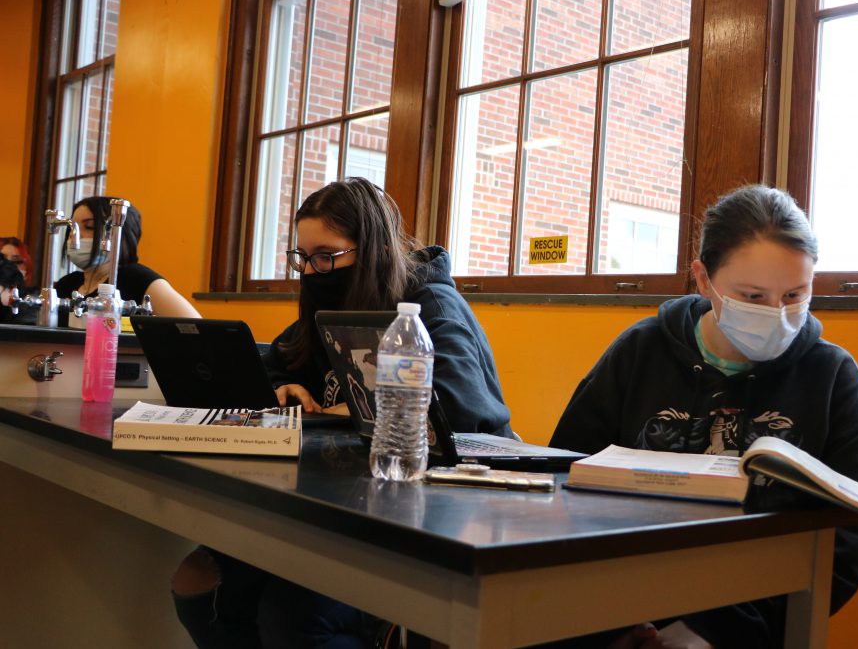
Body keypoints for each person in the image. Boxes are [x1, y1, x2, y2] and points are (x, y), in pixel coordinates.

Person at [171, 177, 512, 648]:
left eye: (327, 256)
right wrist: (281, 385)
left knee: (290, 613)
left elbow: (461, 408)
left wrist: (346, 408)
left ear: (369, 250)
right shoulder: (328, 297)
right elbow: (272, 363)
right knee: (198, 581)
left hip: (438, 510)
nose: (313, 271)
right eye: (303, 258)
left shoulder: (431, 306)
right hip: (348, 499)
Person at [549, 184, 858, 649]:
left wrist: (713, 633)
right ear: (704, 280)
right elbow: (566, 478)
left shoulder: (833, 378)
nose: (778, 315)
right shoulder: (639, 353)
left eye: (794, 294)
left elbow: (851, 535)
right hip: (615, 605)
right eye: (753, 296)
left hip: (753, 626)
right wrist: (608, 620)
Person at [54, 196, 200, 320]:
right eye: (71, 228)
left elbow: (194, 328)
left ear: (119, 234)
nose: (74, 236)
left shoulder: (138, 280)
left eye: (90, 227)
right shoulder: (66, 284)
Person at [1, 236, 35, 323]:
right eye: (2, 260)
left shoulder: (32, 303)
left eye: (17, 262)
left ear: (27, 271)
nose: (9, 267)